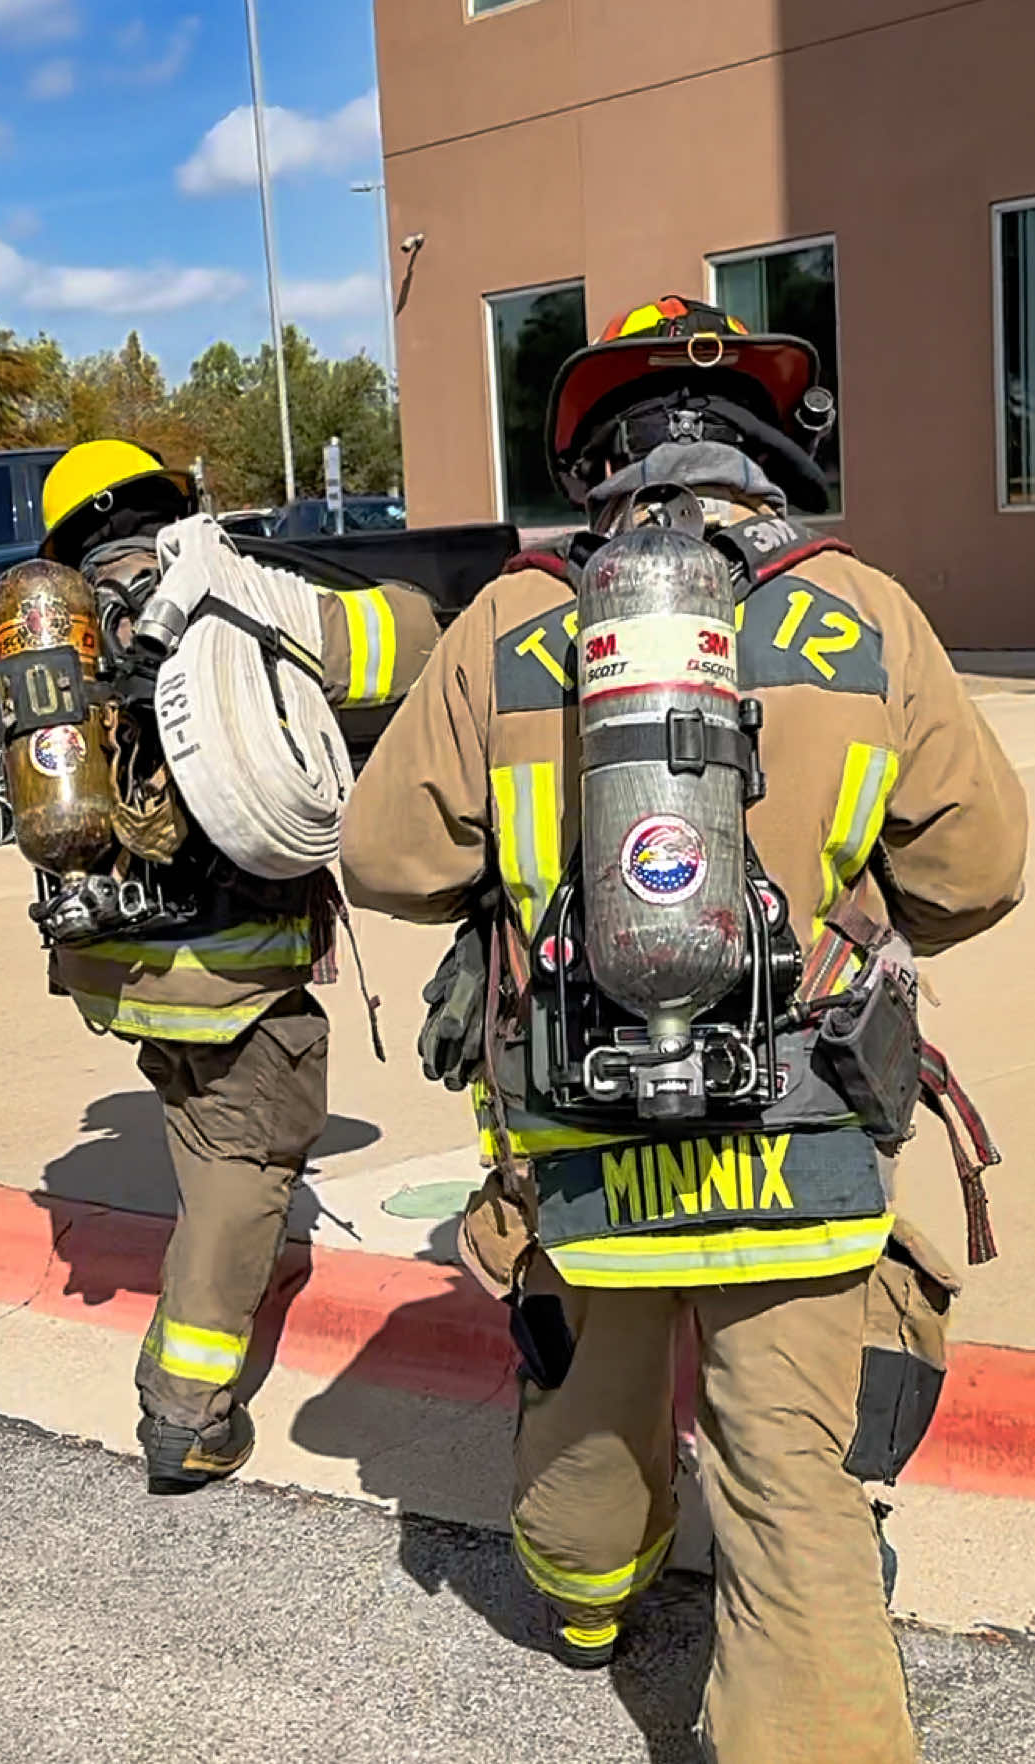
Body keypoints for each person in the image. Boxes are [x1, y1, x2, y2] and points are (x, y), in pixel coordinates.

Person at [338, 298, 1028, 1763]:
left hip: (581, 1121)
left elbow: (387, 860)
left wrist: (524, 891)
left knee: (591, 1399)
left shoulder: (516, 618)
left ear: (597, 461)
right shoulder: (865, 610)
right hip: (803, 1124)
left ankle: (588, 1607)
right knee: (788, 1471)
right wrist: (851, 922)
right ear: (768, 451)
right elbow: (979, 867)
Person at [37, 440, 439, 1495]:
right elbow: (406, 644)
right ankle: (187, 1414)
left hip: (117, 968)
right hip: (230, 970)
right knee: (246, 1166)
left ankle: (199, 1353)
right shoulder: (228, 598)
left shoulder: (59, 633)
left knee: (193, 1112)